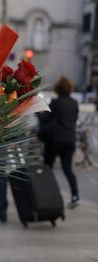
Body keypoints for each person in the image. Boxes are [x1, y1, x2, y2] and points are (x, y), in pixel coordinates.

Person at [38, 76, 79, 209]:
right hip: (70, 140)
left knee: (47, 168)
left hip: (55, 141)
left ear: (58, 89)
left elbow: (45, 118)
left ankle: (47, 196)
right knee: (67, 169)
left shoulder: (56, 102)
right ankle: (75, 196)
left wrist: (38, 112)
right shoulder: (74, 103)